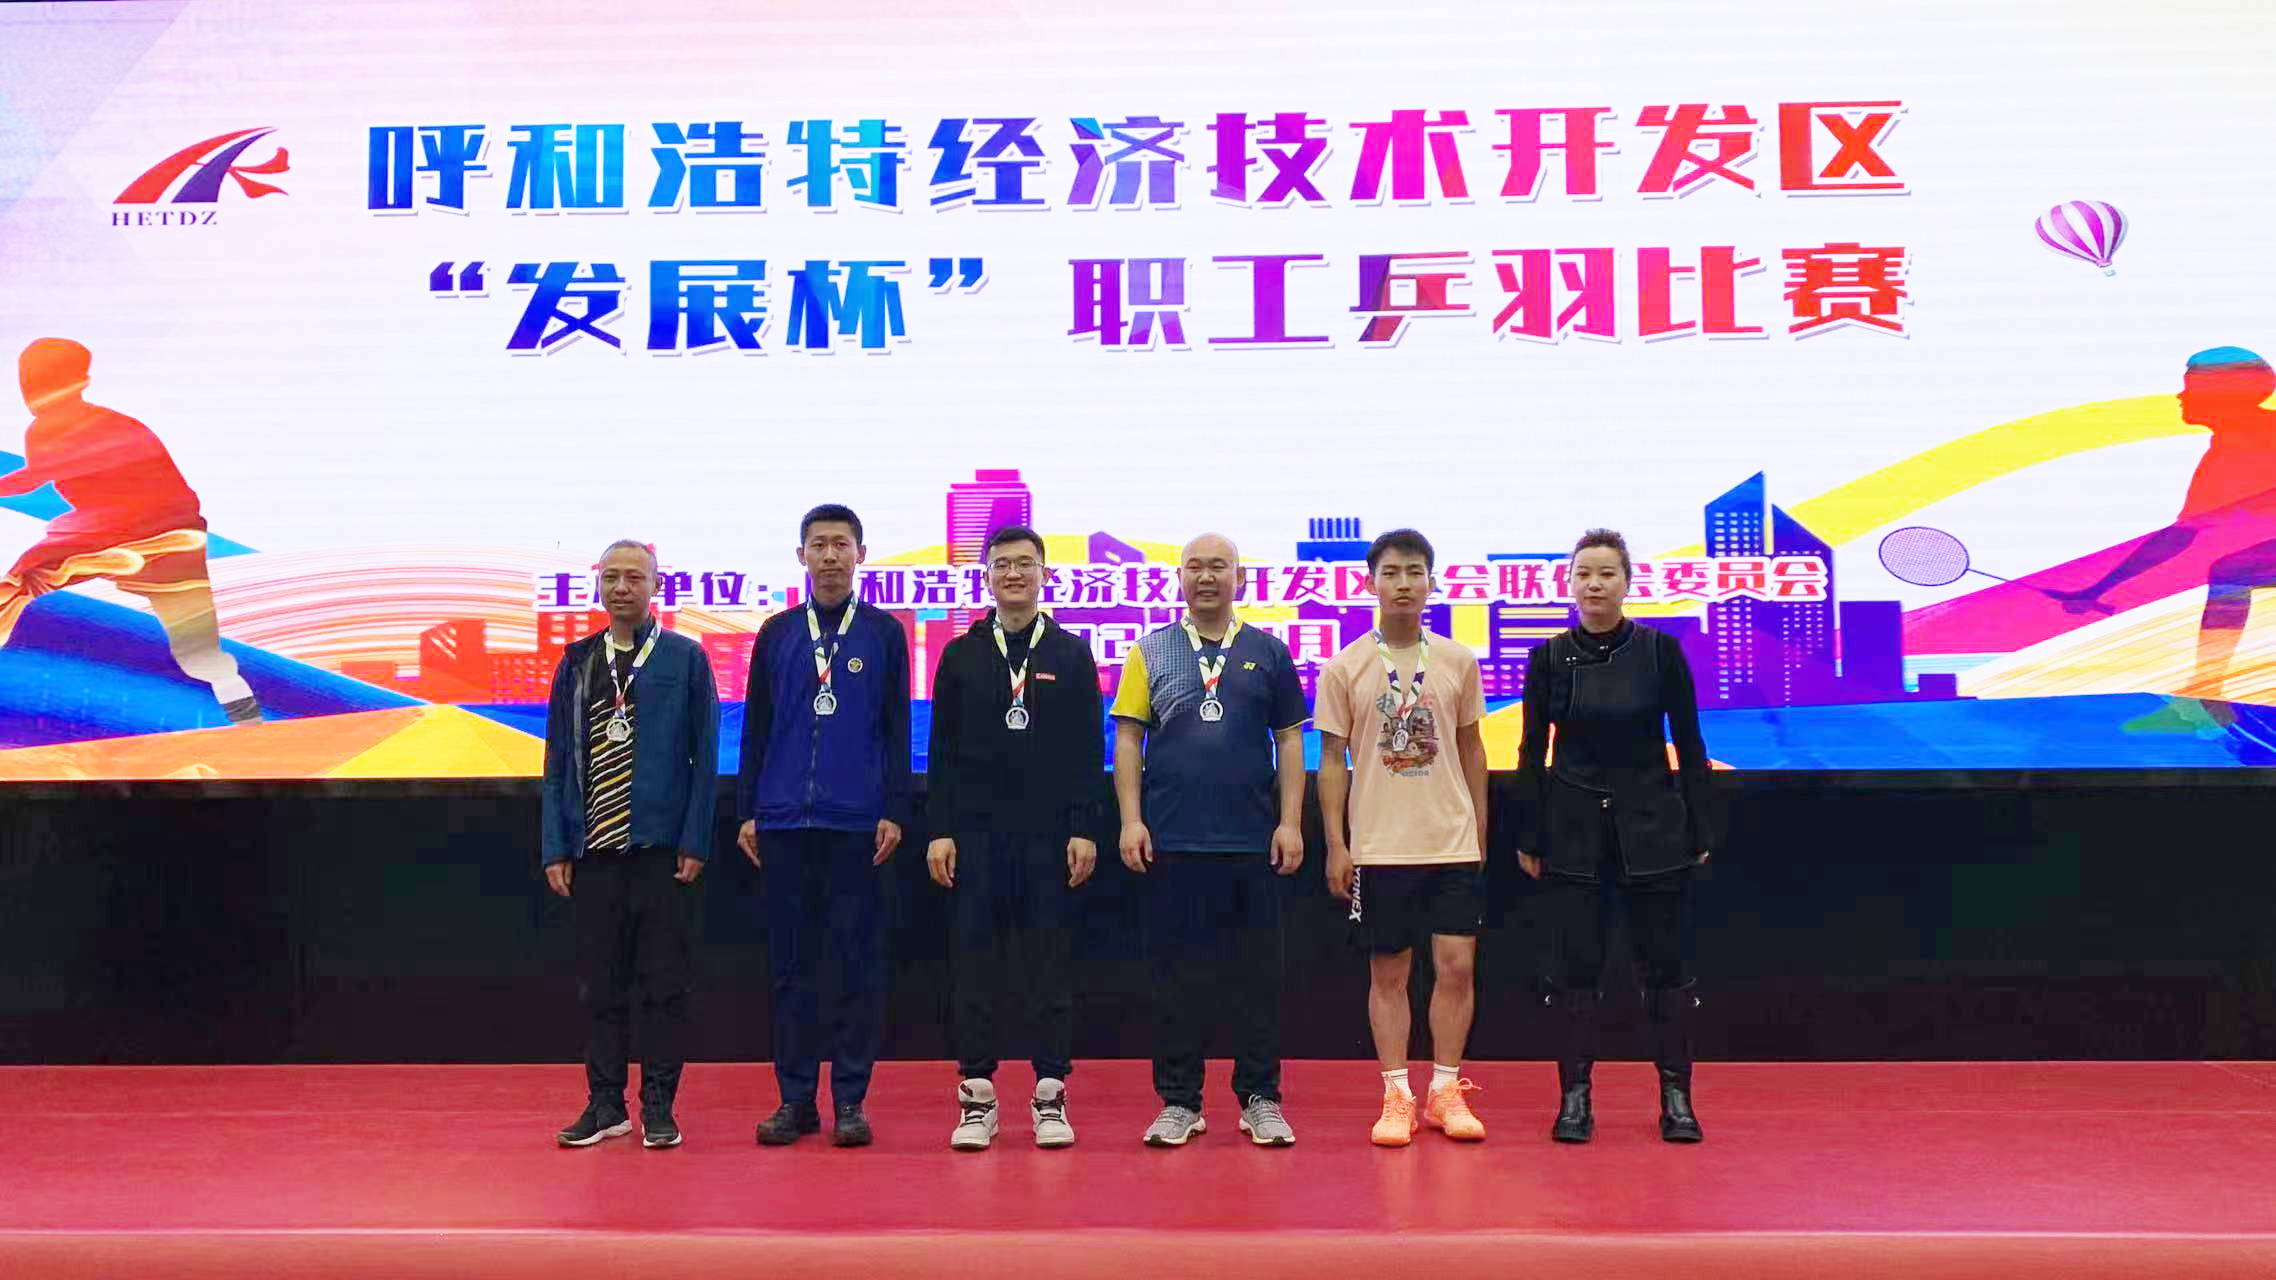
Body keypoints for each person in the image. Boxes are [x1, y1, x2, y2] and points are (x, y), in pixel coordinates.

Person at [1515, 528, 1713, 1143]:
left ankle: (1677, 1098)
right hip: (1573, 830)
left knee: (1666, 969)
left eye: (1606, 573)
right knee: (1576, 971)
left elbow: (1690, 742)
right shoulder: (1548, 658)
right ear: (1569, 584)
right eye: (1584, 574)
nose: (1594, 584)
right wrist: (1530, 835)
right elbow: (1531, 752)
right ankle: (1575, 1099)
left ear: (1627, 582)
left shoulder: (1660, 652)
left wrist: (1700, 826)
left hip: (1652, 826)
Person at [1112, 532, 1308, 1148]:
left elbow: (1291, 741)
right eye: (1194, 567)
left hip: (1252, 841)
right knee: (1175, 979)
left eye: (1218, 566)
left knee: (1258, 979)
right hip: (1172, 840)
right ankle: (1179, 1101)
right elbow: (1128, 740)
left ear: (1239, 579)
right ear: (1178, 578)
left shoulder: (1269, 652)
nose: (1205, 577)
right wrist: (1131, 820)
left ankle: (1260, 1098)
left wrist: (1291, 821)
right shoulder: (1150, 650)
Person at [924, 525, 1104, 1150]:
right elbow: (942, 750)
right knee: (974, 964)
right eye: (1001, 565)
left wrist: (1084, 827)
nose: (1014, 574)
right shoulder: (961, 655)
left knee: (1048, 964)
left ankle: (1050, 1093)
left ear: (1044, 574)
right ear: (987, 577)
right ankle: (977, 1096)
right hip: (976, 836)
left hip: (1049, 837)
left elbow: (1087, 750)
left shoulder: (1072, 653)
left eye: (1025, 564)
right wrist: (940, 829)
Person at [738, 504, 911, 1148]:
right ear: (801, 556)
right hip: (783, 821)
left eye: (842, 544)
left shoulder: (884, 632)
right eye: (819, 545)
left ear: (861, 554)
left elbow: (895, 728)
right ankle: (795, 1100)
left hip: (856, 823)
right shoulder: (778, 632)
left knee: (854, 964)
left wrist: (894, 807)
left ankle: (850, 1101)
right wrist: (749, 809)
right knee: (792, 968)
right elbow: (756, 727)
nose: (831, 555)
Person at [541, 540, 720, 1150]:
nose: (622, 588)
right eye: (612, 577)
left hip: (662, 852)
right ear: (598, 585)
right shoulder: (578, 661)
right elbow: (557, 760)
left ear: (655, 586)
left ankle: (659, 1107)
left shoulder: (685, 659)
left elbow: (704, 760)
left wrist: (696, 839)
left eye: (634, 578)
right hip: (594, 852)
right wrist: (556, 845)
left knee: (664, 986)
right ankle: (605, 1104)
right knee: (600, 986)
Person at [1316, 529, 1490, 1147]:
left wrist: (1479, 825)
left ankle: (1445, 1090)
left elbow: (1472, 747)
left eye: (1415, 572)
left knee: (1456, 967)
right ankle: (1396, 1094)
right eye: (1391, 573)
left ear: (1432, 583)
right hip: (1380, 846)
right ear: (1370, 583)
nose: (1403, 584)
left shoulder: (1458, 661)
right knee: (1388, 973)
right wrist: (1336, 843)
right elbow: (1331, 760)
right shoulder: (1344, 666)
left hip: (1451, 842)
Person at [0, 338, 262, 724]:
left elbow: (35, 477)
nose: (32, 394)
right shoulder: (51, 429)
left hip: (140, 529)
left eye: (42, 383)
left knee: (19, 585)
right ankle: (248, 721)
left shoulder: (103, 427)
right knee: (199, 656)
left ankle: (248, 721)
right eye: (28, 383)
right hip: (166, 533)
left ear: (81, 381)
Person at [2047, 347, 2276, 724]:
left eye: (2191, 389)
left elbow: (2179, 537)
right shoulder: (2228, 451)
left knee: (2232, 573)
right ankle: (2207, 690)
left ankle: (2207, 691)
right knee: (2232, 572)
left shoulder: (2253, 441)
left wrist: (2097, 590)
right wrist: (2097, 589)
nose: (2181, 397)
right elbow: (2180, 535)